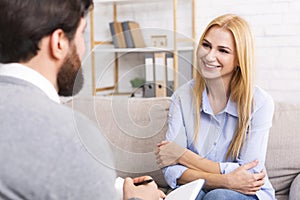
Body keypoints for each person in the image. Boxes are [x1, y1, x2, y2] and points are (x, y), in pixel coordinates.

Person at [0, 0, 165, 200]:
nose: (84, 47)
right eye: (82, 34)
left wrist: (117, 188)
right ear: (59, 42)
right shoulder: (71, 134)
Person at [155, 14, 275, 200]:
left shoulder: (259, 103)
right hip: (197, 189)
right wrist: (225, 180)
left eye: (223, 51)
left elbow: (249, 173)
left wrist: (183, 155)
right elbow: (171, 169)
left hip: (247, 193)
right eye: (206, 45)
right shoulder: (182, 97)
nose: (209, 56)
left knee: (218, 196)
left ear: (239, 60)